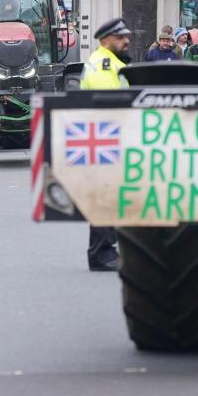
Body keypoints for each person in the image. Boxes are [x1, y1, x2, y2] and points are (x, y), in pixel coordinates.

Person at [80, 17, 133, 272]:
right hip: (108, 139)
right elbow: (112, 104)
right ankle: (102, 253)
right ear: (104, 40)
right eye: (120, 37)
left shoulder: (110, 62)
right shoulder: (104, 64)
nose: (126, 41)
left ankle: (104, 251)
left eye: (126, 37)